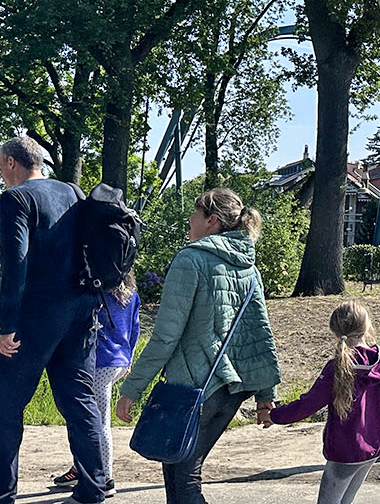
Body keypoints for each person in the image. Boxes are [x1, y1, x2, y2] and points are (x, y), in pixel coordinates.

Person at [116, 188, 281, 504]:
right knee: (180, 475)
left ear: (212, 220)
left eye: (195, 214)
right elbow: (260, 332)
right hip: (230, 392)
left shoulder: (190, 260)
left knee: (184, 481)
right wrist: (265, 396)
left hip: (193, 389)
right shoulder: (249, 267)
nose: (189, 221)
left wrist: (132, 390)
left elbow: (166, 336)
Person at [0, 136, 108, 504]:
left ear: (11, 163)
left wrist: (8, 326)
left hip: (38, 313)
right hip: (83, 308)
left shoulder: (16, 199)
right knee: (79, 398)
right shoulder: (73, 192)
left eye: (0, 166)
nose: (0, 174)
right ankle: (95, 485)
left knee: (6, 404)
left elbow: (15, 265)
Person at [267, 301, 380, 504]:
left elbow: (308, 405)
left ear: (335, 333)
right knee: (345, 501)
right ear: (366, 327)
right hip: (374, 443)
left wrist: (273, 415)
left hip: (346, 448)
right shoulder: (379, 358)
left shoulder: (336, 367)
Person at [52, 272, 141, 494]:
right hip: (119, 361)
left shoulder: (97, 293)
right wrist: (128, 358)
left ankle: (105, 477)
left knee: (97, 421)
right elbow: (135, 328)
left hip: (99, 362)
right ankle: (82, 465)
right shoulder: (132, 295)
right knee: (88, 418)